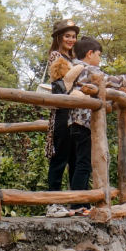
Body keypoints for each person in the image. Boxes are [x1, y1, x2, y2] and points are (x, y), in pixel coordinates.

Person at [68, 36, 126, 213]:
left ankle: (80, 203)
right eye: (99, 55)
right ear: (90, 54)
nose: (99, 59)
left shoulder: (74, 69)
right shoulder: (88, 70)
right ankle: (78, 205)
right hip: (85, 124)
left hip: (73, 123)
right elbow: (112, 80)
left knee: (76, 164)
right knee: (84, 164)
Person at [44, 18, 80, 218]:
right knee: (60, 158)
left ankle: (75, 203)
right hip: (62, 112)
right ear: (59, 37)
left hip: (76, 113)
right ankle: (53, 203)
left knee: (75, 159)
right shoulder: (56, 57)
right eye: (67, 36)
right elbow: (62, 85)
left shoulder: (75, 59)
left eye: (74, 36)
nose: (71, 39)